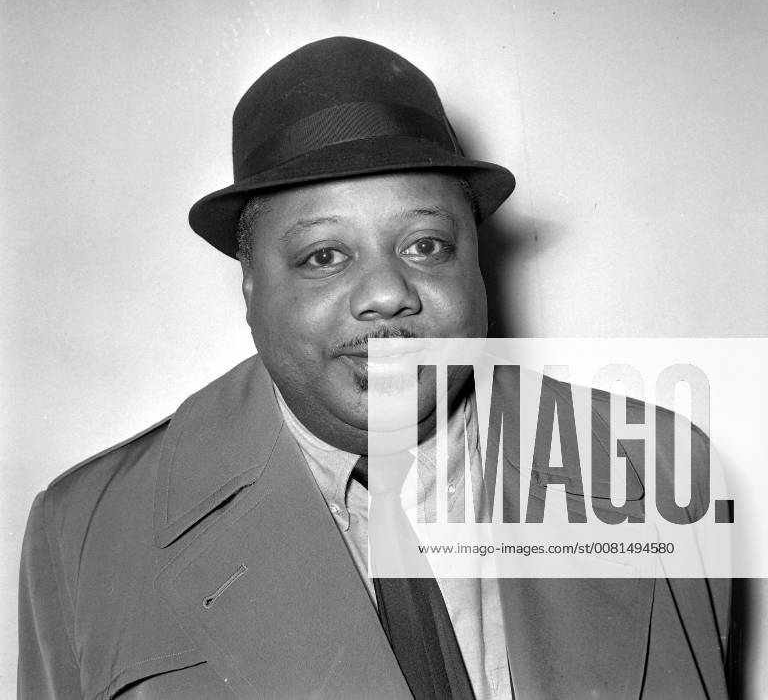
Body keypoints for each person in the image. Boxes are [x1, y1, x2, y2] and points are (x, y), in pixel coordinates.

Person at [18, 37, 729, 699]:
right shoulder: (86, 535)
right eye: (324, 255)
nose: (388, 291)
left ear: (477, 265)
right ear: (250, 287)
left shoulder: (658, 470)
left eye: (425, 245)